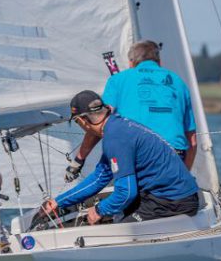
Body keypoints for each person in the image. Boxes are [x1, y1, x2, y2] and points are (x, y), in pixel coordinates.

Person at [44, 91, 199, 224]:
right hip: (168, 196)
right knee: (117, 214)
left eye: (77, 122)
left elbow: (127, 192)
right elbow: (100, 178)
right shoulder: (116, 125)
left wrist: (99, 210)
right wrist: (59, 202)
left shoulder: (115, 137)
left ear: (83, 121)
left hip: (172, 201)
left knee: (119, 226)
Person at [65, 40, 197, 183]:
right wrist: (185, 176)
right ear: (159, 61)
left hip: (139, 157)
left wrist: (79, 160)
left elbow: (99, 121)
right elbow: (192, 141)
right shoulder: (178, 82)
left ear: (131, 62)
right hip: (175, 158)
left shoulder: (118, 80)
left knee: (120, 190)